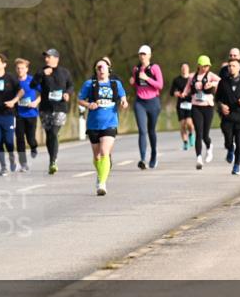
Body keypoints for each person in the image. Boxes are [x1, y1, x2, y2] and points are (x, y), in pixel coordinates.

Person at [77, 57, 128, 195]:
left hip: (110, 121)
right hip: (93, 123)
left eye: (103, 67)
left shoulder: (115, 84)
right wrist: (89, 104)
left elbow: (123, 97)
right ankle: (100, 175)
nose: (100, 69)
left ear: (108, 70)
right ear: (96, 71)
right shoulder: (89, 84)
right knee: (97, 156)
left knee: (105, 152)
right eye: (98, 67)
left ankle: (102, 183)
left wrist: (124, 103)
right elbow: (80, 100)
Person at [33, 48, 74, 175]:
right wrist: (42, 75)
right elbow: (32, 85)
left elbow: (71, 85)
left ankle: (52, 161)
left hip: (60, 107)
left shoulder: (64, 72)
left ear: (56, 58)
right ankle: (52, 160)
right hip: (45, 108)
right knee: (49, 134)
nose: (46, 59)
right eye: (45, 57)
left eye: (49, 57)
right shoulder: (41, 71)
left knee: (54, 132)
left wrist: (67, 93)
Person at [215, 59, 240, 175]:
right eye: (229, 66)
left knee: (239, 140)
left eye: (233, 66)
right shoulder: (223, 82)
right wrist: (221, 106)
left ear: (239, 68)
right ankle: (230, 149)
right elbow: (217, 99)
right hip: (227, 117)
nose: (231, 68)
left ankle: (237, 165)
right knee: (228, 141)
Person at [130, 45, 164, 170]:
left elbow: (160, 85)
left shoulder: (155, 68)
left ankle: (154, 154)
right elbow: (136, 84)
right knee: (142, 131)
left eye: (144, 54)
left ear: (149, 55)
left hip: (153, 102)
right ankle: (143, 159)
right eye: (140, 54)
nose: (142, 56)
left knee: (151, 130)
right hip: (140, 103)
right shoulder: (136, 69)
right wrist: (133, 82)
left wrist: (147, 78)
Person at [185, 55, 220, 169]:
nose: (206, 68)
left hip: (208, 106)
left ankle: (209, 148)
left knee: (205, 134)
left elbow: (220, 81)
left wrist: (212, 84)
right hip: (196, 106)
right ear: (199, 65)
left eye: (208, 66)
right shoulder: (192, 76)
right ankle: (199, 158)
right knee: (198, 133)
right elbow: (187, 88)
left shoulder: (210, 75)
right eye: (204, 66)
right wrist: (184, 93)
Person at [13, 58, 40, 172]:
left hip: (31, 114)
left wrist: (36, 102)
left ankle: (34, 147)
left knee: (31, 138)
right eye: (18, 68)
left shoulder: (32, 80)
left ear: (27, 69)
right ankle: (23, 163)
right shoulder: (13, 81)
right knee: (19, 139)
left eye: (22, 68)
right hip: (18, 114)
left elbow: (43, 93)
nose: (20, 70)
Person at [170, 62, 194, 151]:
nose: (184, 69)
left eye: (185, 68)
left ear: (188, 69)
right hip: (181, 104)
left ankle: (191, 134)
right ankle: (185, 142)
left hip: (190, 103)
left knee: (189, 123)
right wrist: (176, 93)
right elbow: (171, 92)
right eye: (183, 68)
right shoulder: (176, 80)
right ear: (181, 69)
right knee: (183, 124)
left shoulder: (191, 79)